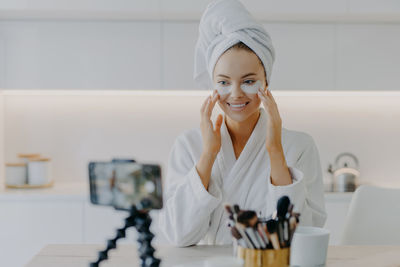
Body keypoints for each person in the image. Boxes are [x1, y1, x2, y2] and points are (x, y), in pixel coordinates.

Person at [158, 0, 326, 246]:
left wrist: (275, 150)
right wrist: (208, 155)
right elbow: (177, 236)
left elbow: (298, 237)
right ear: (213, 85)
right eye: (224, 82)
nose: (235, 94)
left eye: (248, 81)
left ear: (266, 83)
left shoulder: (299, 146)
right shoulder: (189, 145)